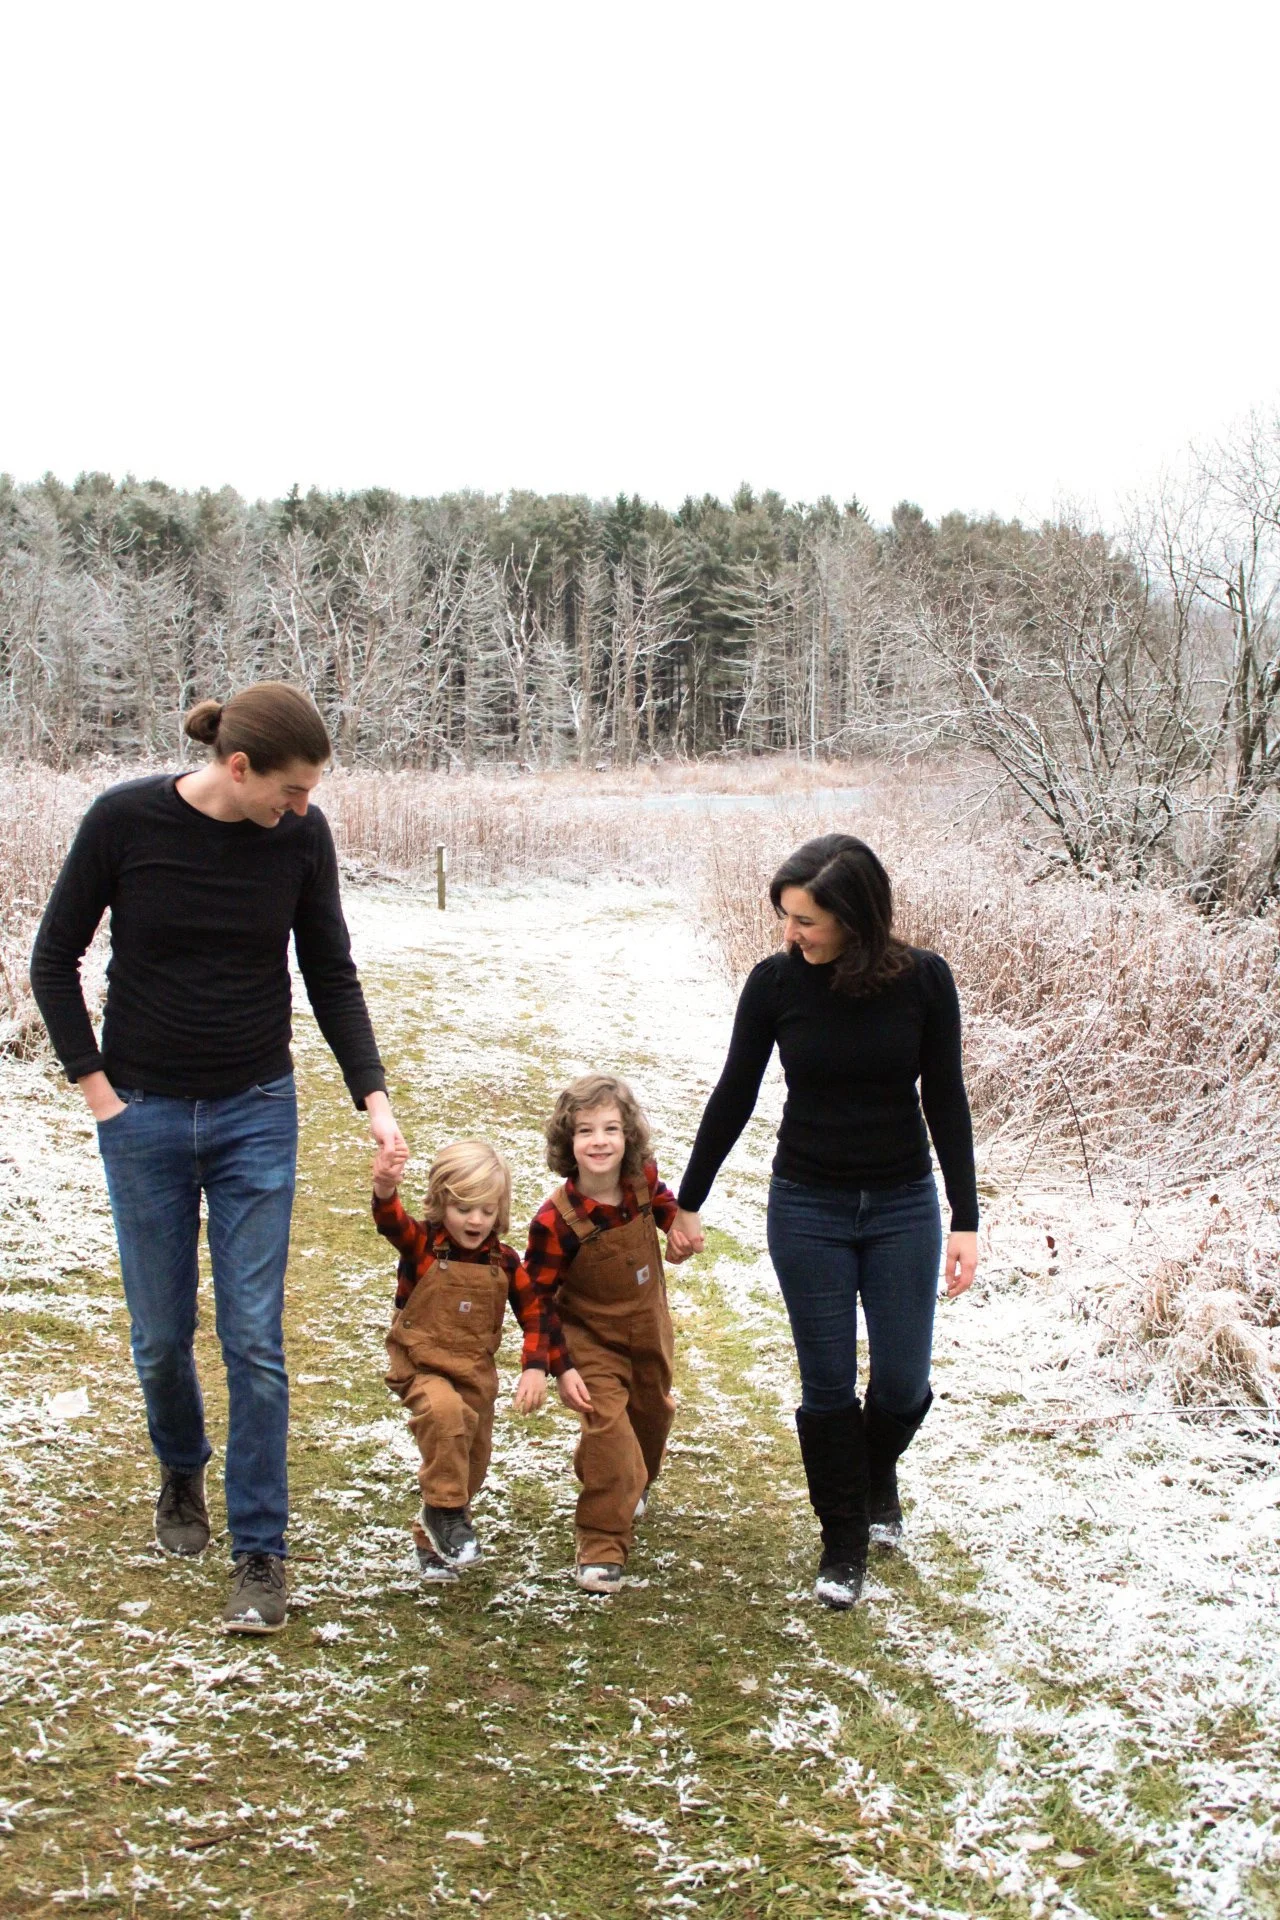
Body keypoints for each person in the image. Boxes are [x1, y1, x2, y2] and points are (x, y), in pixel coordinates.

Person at [29, 682, 405, 1635]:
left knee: (254, 1340)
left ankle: (261, 1550)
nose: (304, 807)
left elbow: (330, 969)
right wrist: (99, 1093)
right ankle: (181, 1466)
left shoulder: (299, 842)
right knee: (159, 1337)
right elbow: (53, 958)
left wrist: (374, 1098)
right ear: (239, 769)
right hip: (143, 1116)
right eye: (292, 788)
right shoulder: (123, 821)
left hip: (255, 1115)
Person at [669, 834, 978, 1610]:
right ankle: (843, 1538)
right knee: (828, 1383)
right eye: (785, 916)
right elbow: (733, 1092)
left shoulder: (925, 981)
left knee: (904, 1384)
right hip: (808, 1205)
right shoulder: (774, 985)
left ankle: (872, 1475)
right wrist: (688, 1197)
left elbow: (946, 1099)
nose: (790, 933)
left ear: (854, 916)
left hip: (904, 1203)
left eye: (805, 920)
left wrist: (965, 1217)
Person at [371, 1135, 590, 1578]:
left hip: (474, 1373)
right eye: (464, 1209)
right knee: (445, 1416)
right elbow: (391, 1221)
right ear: (440, 1203)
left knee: (471, 1456)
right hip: (420, 1364)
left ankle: (434, 1534)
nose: (476, 1220)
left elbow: (535, 1314)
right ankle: (444, 1513)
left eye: (487, 1211)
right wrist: (385, 1188)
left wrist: (535, 1367)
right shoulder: (422, 1245)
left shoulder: (505, 1262)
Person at [524, 1074, 685, 1594]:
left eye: (612, 1128)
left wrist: (678, 1228)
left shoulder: (642, 1183)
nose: (600, 1141)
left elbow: (665, 1206)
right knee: (609, 1431)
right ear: (567, 1142)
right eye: (586, 1130)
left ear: (628, 1136)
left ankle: (624, 1478)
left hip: (649, 1327)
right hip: (589, 1341)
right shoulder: (556, 1220)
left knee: (651, 1415)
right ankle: (601, 1543)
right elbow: (536, 1300)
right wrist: (559, 1365)